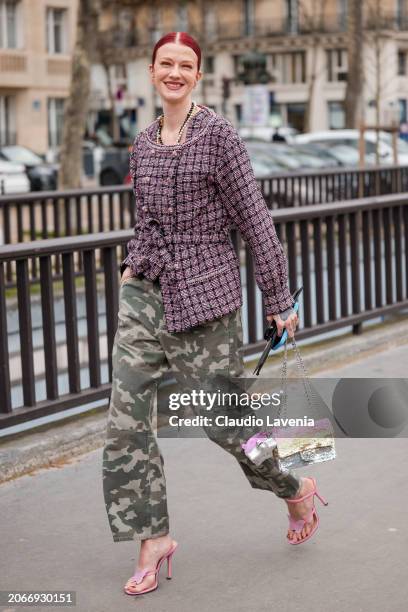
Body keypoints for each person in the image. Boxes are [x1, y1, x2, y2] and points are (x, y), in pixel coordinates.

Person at [102, 31, 328, 597]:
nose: (174, 72)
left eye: (186, 65)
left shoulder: (218, 136)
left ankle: (293, 487)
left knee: (224, 425)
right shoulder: (144, 140)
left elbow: (254, 218)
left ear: (197, 75)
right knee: (124, 424)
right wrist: (134, 266)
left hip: (204, 301)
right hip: (145, 296)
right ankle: (152, 538)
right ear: (151, 71)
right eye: (165, 64)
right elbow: (146, 219)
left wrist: (279, 301)